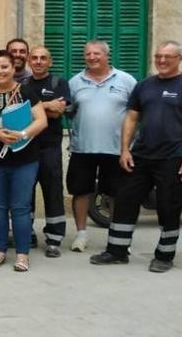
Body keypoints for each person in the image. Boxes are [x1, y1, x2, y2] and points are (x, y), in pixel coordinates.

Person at [90, 41, 182, 273]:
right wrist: (125, 150)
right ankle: (117, 251)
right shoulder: (144, 85)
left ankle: (164, 256)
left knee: (168, 206)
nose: (161, 61)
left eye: (167, 57)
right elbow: (131, 118)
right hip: (140, 156)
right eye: (158, 56)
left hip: (173, 157)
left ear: (179, 58)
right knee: (125, 201)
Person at [0, 50, 47, 272]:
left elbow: (41, 121)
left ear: (13, 69)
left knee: (21, 207)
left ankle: (22, 255)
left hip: (26, 160)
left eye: (4, 67)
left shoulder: (26, 91)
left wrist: (22, 135)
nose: (0, 71)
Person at [66, 40, 136, 252]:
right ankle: (81, 234)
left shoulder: (126, 80)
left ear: (107, 56)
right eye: (88, 54)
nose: (92, 57)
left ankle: (117, 236)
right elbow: (68, 110)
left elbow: (137, 113)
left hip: (117, 149)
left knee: (116, 193)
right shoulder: (75, 82)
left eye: (97, 54)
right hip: (82, 148)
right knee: (80, 191)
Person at [24, 46, 70, 257]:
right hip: (26, 147)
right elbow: (22, 113)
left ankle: (54, 238)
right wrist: (46, 105)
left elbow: (58, 111)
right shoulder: (23, 84)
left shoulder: (59, 83)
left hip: (50, 147)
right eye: (35, 58)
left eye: (43, 58)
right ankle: (28, 234)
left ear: (50, 62)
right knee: (26, 194)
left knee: (52, 192)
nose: (39, 61)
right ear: (29, 62)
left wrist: (38, 108)